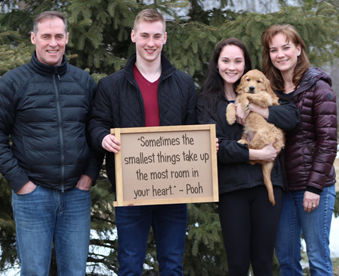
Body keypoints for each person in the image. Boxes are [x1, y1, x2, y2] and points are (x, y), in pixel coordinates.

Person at [88, 9, 196, 276]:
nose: (151, 42)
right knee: (129, 265)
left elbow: (195, 130)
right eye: (145, 35)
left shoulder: (183, 83)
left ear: (165, 38)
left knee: (172, 265)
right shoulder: (111, 85)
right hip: (131, 190)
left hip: (174, 189)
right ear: (134, 36)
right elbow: (96, 123)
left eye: (157, 36)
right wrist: (103, 138)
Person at [0, 11, 102, 276]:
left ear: (67, 38)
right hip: (33, 195)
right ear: (34, 38)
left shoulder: (83, 83)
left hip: (76, 195)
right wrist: (21, 183)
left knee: (75, 272)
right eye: (46, 36)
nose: (53, 43)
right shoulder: (12, 84)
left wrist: (90, 174)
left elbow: (96, 132)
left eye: (59, 36)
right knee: (34, 272)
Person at [196, 37, 300, 275]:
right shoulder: (206, 101)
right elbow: (217, 147)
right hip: (232, 189)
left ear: (246, 66)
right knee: (238, 265)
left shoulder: (261, 90)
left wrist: (254, 107)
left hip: (267, 188)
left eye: (238, 61)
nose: (231, 67)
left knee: (264, 263)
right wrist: (257, 153)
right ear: (217, 64)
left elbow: (292, 116)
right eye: (225, 61)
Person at [262, 24, 337, 276]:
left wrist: (314, 187)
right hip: (282, 189)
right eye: (274, 50)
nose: (280, 54)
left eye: (286, 47)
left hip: (313, 188)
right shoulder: (269, 92)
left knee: (318, 260)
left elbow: (328, 141)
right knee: (286, 262)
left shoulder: (318, 86)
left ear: (298, 49)